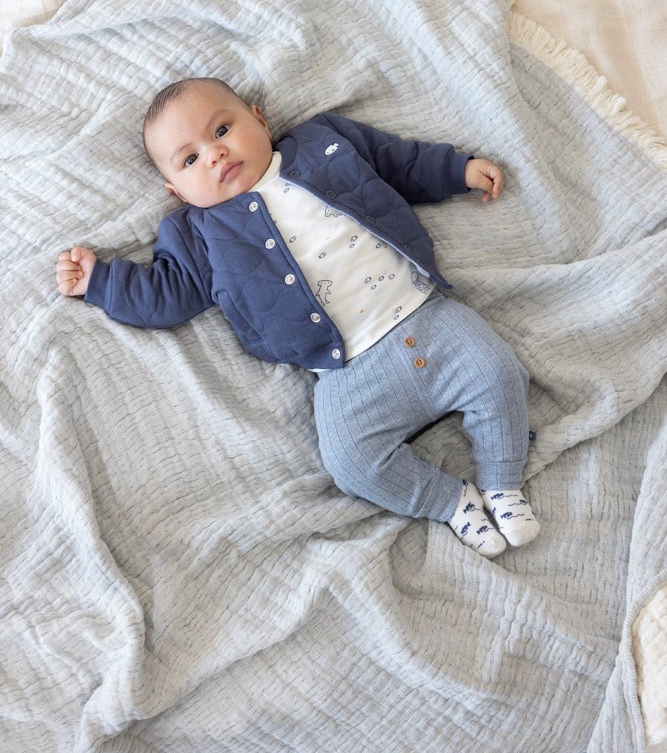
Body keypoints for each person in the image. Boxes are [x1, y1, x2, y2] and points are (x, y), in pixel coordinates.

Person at [56, 77, 539, 557]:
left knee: (498, 373)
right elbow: (165, 294)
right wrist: (100, 282)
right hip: (344, 371)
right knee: (351, 464)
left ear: (259, 119)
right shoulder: (197, 235)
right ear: (177, 190)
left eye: (222, 130)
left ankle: (502, 484)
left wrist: (456, 170)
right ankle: (451, 503)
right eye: (189, 160)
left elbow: (397, 161)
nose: (215, 155)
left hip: (426, 315)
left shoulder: (323, 142)